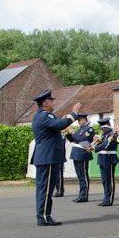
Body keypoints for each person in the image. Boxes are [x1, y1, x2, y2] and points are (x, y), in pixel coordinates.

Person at [30, 90, 80, 226]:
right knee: (46, 189)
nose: (53, 103)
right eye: (51, 101)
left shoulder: (40, 116)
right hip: (48, 157)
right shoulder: (45, 116)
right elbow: (58, 125)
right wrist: (73, 114)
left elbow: (56, 125)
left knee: (43, 188)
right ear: (45, 104)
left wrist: (63, 120)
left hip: (45, 157)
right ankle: (44, 217)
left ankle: (43, 215)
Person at [65, 113, 95, 203]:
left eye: (79, 121)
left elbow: (81, 139)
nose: (78, 122)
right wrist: (69, 134)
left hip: (83, 153)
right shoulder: (81, 129)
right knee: (79, 175)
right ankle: (81, 194)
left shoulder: (89, 129)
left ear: (84, 120)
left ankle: (84, 195)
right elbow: (74, 139)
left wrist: (73, 133)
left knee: (83, 175)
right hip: (76, 153)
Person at [94, 117, 119, 207]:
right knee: (104, 180)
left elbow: (106, 145)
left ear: (107, 125)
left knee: (109, 179)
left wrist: (95, 147)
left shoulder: (111, 134)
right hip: (102, 158)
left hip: (109, 158)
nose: (102, 130)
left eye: (103, 128)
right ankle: (105, 198)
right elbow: (101, 144)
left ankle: (109, 199)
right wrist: (96, 142)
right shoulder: (103, 135)